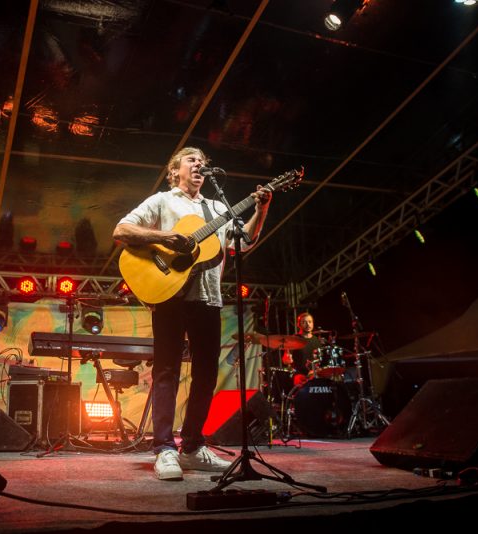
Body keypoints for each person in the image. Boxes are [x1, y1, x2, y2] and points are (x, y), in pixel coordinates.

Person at [113, 147, 272, 480]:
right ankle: (164, 449)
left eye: (202, 161)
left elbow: (244, 242)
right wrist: (168, 237)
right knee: (166, 372)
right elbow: (122, 231)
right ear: (175, 170)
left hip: (209, 299)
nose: (199, 164)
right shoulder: (162, 201)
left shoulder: (218, 208)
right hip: (169, 296)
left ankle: (192, 447)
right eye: (191, 159)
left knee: (206, 375)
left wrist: (262, 208)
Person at [282, 312, 322, 386]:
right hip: (298, 374)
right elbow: (285, 360)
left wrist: (315, 371)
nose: (308, 324)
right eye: (304, 322)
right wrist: (287, 359)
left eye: (310, 322)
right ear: (298, 325)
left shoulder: (317, 341)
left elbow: (320, 361)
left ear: (313, 323)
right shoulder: (294, 339)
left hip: (314, 373)